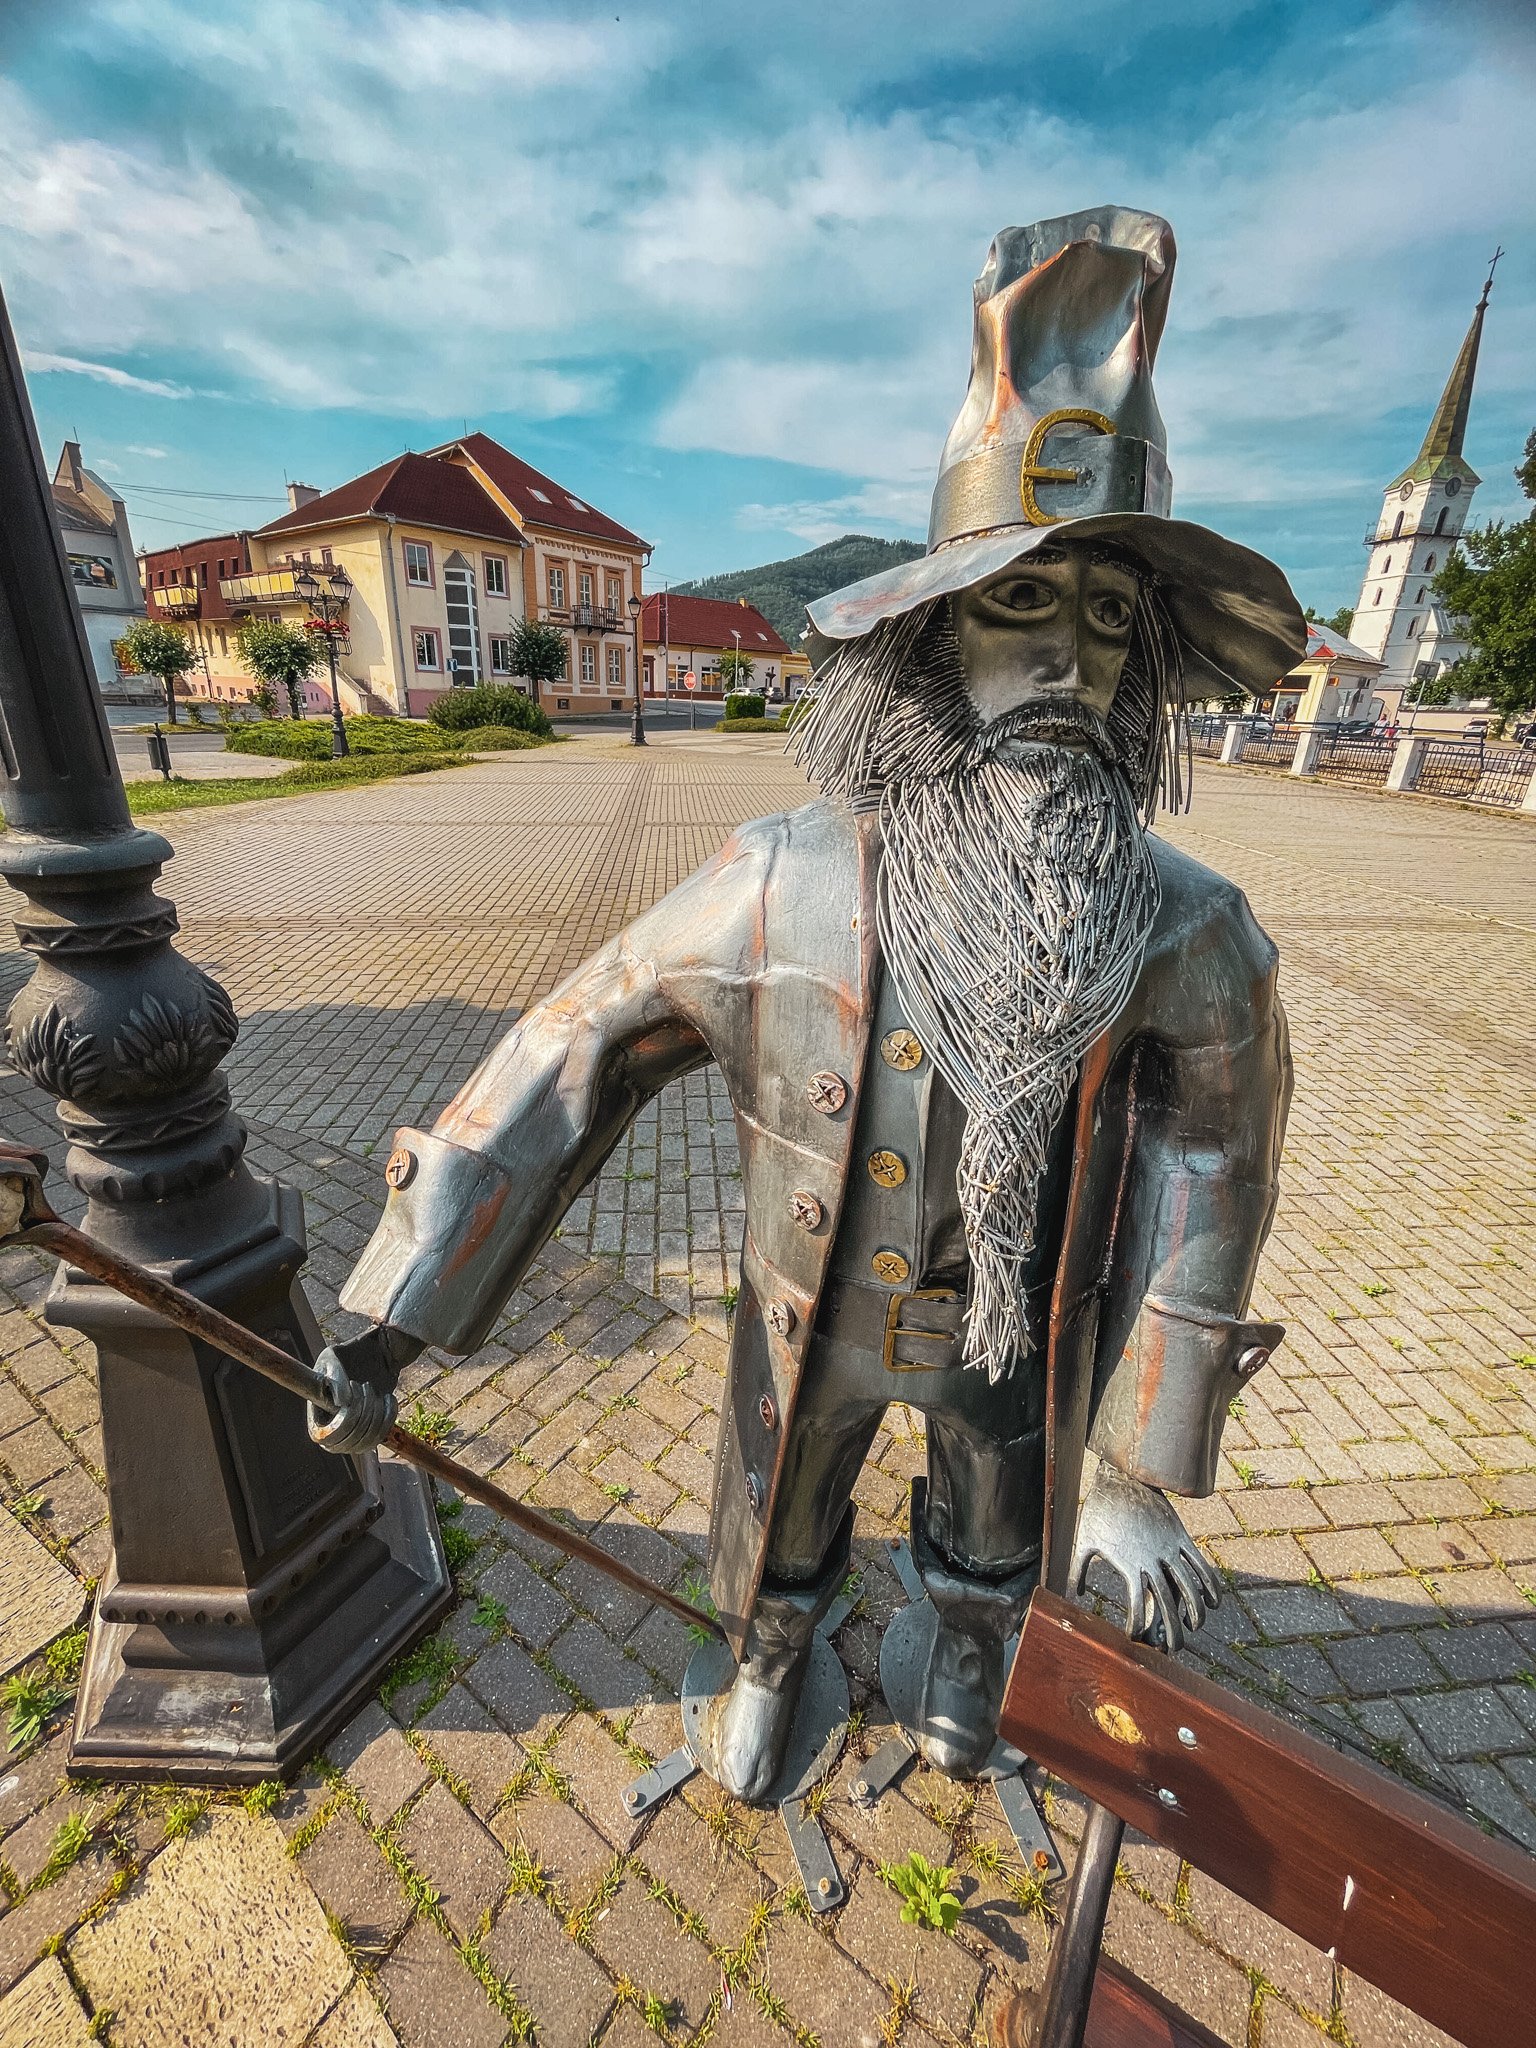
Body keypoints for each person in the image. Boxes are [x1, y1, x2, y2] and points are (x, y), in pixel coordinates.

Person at [311, 208, 1299, 1801]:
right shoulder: (782, 880)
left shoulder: (1192, 929)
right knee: (778, 1505)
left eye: (1110, 619)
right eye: (1020, 606)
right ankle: (770, 1652)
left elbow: (1215, 1176)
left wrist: (1139, 1462)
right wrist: (390, 1310)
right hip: (809, 1309)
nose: (1066, 658)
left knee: (998, 1520)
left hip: (1021, 1333)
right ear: (935, 637)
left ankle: (967, 1648)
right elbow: (579, 1045)